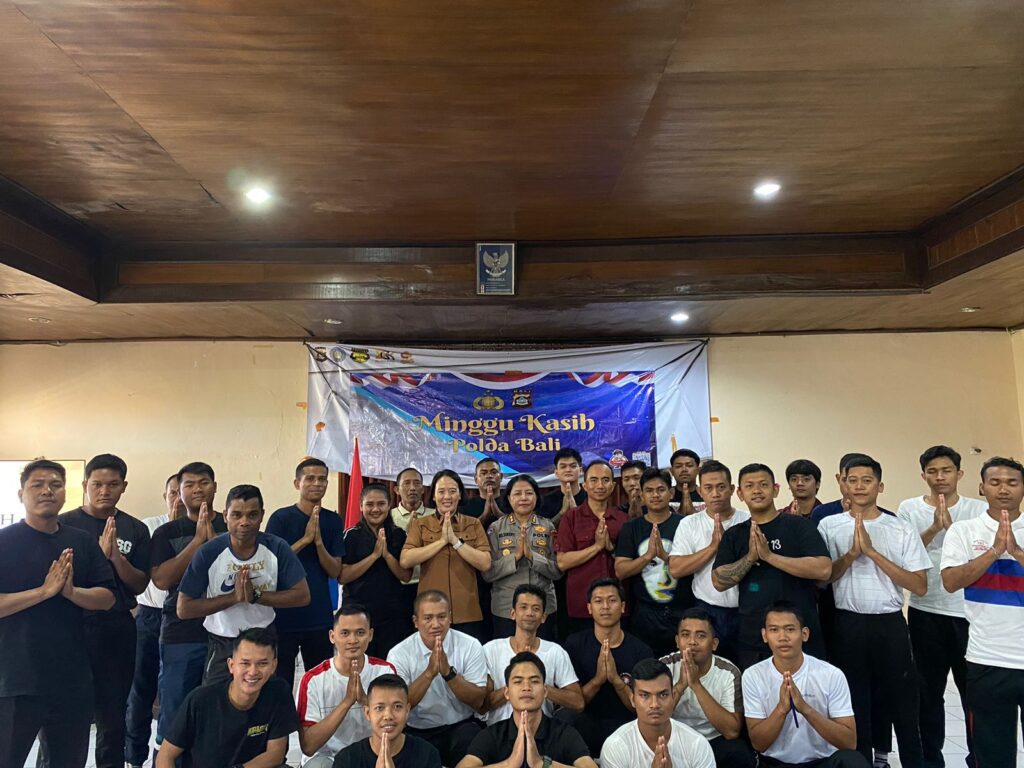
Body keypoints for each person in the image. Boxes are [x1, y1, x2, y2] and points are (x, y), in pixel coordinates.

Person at [0, 459, 116, 768]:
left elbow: (108, 597)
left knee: (67, 761)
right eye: (37, 485)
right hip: (15, 679)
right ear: (21, 494)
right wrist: (43, 592)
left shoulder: (81, 541)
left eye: (55, 484)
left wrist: (72, 593)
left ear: (66, 492)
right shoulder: (4, 542)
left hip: (70, 678)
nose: (47, 491)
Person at [817, 455, 929, 767]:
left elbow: (919, 585)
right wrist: (853, 554)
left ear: (880, 486)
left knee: (903, 703)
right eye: (852, 480)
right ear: (843, 483)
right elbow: (823, 579)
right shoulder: (829, 525)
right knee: (855, 703)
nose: (859, 486)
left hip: (889, 625)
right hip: (847, 624)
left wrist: (872, 553)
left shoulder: (900, 528)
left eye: (867, 480)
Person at [45, 453, 150, 768]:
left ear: (124, 486)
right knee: (61, 711)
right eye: (97, 484)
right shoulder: (63, 524)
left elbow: (139, 585)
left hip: (116, 628)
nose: (105, 491)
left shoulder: (135, 528)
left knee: (112, 714)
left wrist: (115, 557)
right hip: (70, 626)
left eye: (113, 484)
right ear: (84, 485)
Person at [897, 445, 986, 768]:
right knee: (928, 694)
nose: (940, 477)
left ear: (959, 473)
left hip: (969, 613)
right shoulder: (909, 508)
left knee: (973, 694)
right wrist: (934, 527)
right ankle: (930, 761)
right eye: (932, 472)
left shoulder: (978, 509)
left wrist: (954, 530)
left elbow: (983, 555)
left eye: (946, 471)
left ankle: (978, 759)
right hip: (926, 611)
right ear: (923, 476)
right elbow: (904, 554)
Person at [177, 483, 310, 684]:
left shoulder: (277, 547)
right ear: (225, 516)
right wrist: (234, 598)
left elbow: (302, 595)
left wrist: (256, 596)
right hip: (222, 643)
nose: (244, 522)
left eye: (252, 515)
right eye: (237, 515)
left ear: (262, 515)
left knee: (263, 699)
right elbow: (183, 608)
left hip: (263, 639)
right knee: (217, 699)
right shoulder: (209, 552)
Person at [941, 456, 1024, 768]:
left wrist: (1016, 552)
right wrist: (993, 552)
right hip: (987, 659)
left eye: (1012, 483)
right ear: (981, 487)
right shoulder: (963, 531)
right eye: (995, 482)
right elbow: (950, 582)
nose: (1003, 489)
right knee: (992, 757)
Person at [712, 463, 831, 668]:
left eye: (763, 484)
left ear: (775, 490)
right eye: (749, 486)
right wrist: (750, 558)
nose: (757, 491)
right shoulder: (735, 534)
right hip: (754, 637)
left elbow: (824, 569)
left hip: (801, 634)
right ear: (739, 494)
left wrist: (769, 556)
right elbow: (718, 581)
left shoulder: (799, 525)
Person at [149, 461, 228, 754]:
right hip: (180, 632)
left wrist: (214, 541)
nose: (197, 490)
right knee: (175, 710)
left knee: (219, 708)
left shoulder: (232, 525)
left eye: (204, 483)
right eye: (189, 485)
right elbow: (162, 579)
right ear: (179, 491)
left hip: (227, 630)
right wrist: (197, 542)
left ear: (215, 487)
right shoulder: (167, 532)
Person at [743, 601, 867, 768]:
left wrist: (805, 709)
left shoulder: (831, 674)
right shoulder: (753, 675)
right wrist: (781, 709)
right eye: (774, 630)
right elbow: (759, 744)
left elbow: (849, 743)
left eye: (790, 629)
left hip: (822, 762)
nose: (782, 637)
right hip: (774, 763)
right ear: (764, 635)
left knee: (853, 761)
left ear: (804, 634)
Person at [156, 627, 299, 768]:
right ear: (231, 665)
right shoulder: (200, 700)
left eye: (262, 664)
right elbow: (165, 755)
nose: (253, 672)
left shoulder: (278, 692)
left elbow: (275, 754)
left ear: (274, 666)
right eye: (245, 663)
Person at [266, 457, 346, 690]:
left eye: (322, 479)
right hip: (284, 616)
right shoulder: (280, 518)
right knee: (280, 684)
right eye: (310, 478)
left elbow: (335, 571)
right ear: (297, 483)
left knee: (320, 685)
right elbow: (272, 566)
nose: (317, 483)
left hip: (318, 616)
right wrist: (305, 540)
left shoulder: (332, 520)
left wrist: (318, 543)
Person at [387, 590, 488, 766]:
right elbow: (397, 705)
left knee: (474, 742)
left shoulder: (470, 645)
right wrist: (429, 673)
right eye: (428, 618)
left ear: (450, 617)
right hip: (418, 730)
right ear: (416, 621)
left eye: (441, 617)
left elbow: (478, 700)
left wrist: (448, 673)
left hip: (461, 726)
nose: (435, 624)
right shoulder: (399, 653)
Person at [126, 472, 186, 768]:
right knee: (141, 689)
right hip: (149, 615)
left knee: (174, 692)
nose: (178, 499)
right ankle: (133, 756)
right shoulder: (149, 527)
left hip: (184, 618)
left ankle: (164, 758)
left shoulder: (201, 528)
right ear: (166, 496)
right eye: (173, 493)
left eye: (182, 493)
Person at [556, 577, 654, 756]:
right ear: (589, 608)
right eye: (598, 601)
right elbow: (573, 703)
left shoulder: (641, 650)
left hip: (625, 725)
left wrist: (616, 681)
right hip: (587, 722)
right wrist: (598, 680)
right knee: (564, 717)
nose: (605, 607)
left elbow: (642, 707)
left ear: (623, 607)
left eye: (612, 600)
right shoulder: (574, 645)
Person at [297, 603, 399, 767]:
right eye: (345, 633)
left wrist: (366, 701)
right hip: (329, 757)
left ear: (370, 635)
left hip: (374, 752)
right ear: (332, 636)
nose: (353, 640)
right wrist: (347, 702)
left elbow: (396, 724)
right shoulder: (313, 680)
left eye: (360, 633)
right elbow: (308, 746)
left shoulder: (384, 671)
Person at [669, 459, 749, 663]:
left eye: (721, 487)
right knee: (707, 669)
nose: (715, 493)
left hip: (747, 610)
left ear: (732, 489)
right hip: (707, 609)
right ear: (700, 491)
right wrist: (713, 547)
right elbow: (676, 569)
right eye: (708, 488)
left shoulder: (748, 520)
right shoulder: (689, 523)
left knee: (746, 668)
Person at [459, 651, 597, 768]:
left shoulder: (563, 733)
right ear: (507, 693)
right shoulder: (493, 735)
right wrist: (510, 764)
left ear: (545, 691)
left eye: (534, 681)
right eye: (518, 681)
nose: (526, 687)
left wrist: (541, 764)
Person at [401, 470, 492, 637]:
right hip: (431, 614)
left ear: (460, 495)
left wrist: (456, 542)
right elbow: (406, 560)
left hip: (467, 611)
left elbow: (485, 563)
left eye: (452, 491)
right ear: (433, 496)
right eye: (441, 491)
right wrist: (442, 541)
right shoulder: (421, 524)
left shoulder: (473, 524)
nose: (447, 497)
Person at [660, 608, 754, 767]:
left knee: (738, 751)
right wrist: (681, 685)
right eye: (685, 635)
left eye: (701, 635)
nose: (692, 642)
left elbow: (732, 732)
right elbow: (653, 718)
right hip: (674, 739)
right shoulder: (663, 667)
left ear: (714, 644)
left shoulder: (729, 672)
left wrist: (696, 685)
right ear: (677, 641)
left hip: (712, 741)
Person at [614, 467, 692, 655]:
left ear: (671, 493)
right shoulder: (631, 527)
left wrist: (666, 557)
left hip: (683, 611)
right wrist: (648, 556)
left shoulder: (686, 524)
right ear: (641, 495)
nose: (655, 495)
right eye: (649, 490)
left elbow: (695, 565)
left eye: (660, 490)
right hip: (644, 614)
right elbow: (620, 571)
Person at [482, 585, 583, 725]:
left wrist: (540, 686)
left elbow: (578, 702)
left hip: (541, 729)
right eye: (523, 607)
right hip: (500, 730)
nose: (529, 613)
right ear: (513, 613)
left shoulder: (555, 651)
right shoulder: (491, 650)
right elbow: (482, 705)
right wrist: (514, 685)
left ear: (543, 617)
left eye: (536, 609)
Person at [340, 483, 413, 658]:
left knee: (389, 665)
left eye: (381, 504)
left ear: (389, 505)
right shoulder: (351, 535)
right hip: (358, 613)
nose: (375, 509)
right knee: (358, 665)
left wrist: (386, 555)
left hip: (392, 614)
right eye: (369, 504)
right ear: (361, 506)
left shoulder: (399, 534)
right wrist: (373, 556)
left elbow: (406, 576)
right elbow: (343, 576)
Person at [599, 658, 715, 768]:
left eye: (663, 695)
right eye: (645, 695)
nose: (654, 704)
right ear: (633, 700)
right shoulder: (615, 746)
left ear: (673, 696)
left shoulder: (697, 744)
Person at [484, 474, 561, 639]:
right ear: (509, 498)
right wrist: (516, 557)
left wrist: (532, 557)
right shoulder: (496, 528)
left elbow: (557, 571)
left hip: (543, 608)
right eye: (517, 493)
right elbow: (488, 573)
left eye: (529, 493)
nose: (523, 498)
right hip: (506, 608)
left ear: (536, 497)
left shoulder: (548, 527)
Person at [555, 460, 627, 635]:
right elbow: (562, 562)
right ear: (584, 485)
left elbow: (629, 563)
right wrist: (596, 547)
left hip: (617, 607)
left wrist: (610, 549)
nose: (600, 485)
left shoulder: (623, 520)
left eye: (605, 480)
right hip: (581, 605)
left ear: (613, 486)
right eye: (594, 480)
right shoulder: (570, 518)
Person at [331, 674, 441, 768]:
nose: (388, 716)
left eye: (397, 706)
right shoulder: (347, 759)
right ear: (368, 713)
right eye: (379, 708)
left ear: (407, 711)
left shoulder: (427, 754)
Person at [539, 447, 587, 524]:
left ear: (581, 471)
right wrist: (562, 512)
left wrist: (575, 511)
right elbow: (541, 529)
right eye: (563, 467)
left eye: (573, 466)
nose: (568, 470)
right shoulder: (545, 501)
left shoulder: (591, 498)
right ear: (556, 473)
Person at [463, 457, 510, 527]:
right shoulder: (466, 506)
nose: (489, 476)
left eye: (494, 472)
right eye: (483, 473)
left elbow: (518, 529)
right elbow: (465, 531)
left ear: (501, 477)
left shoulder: (511, 503)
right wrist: (485, 515)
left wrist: (498, 513)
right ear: (476, 479)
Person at [669, 448, 706, 516]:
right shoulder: (666, 495)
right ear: (672, 471)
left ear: (698, 470)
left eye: (689, 465)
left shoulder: (706, 494)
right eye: (678, 466)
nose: (684, 469)